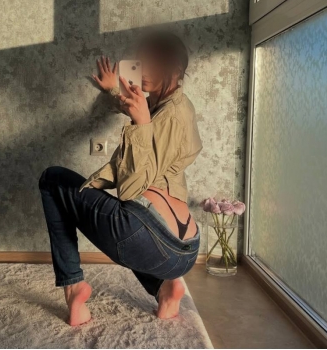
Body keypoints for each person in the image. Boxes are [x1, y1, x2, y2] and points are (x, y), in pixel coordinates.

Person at [38, 30, 203, 326]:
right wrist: (113, 90)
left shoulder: (168, 118)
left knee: (52, 179)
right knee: (136, 230)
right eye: (141, 62)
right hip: (185, 249)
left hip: (151, 240)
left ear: (175, 70)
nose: (144, 71)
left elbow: (130, 190)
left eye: (153, 65)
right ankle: (165, 288)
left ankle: (73, 287)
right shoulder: (170, 104)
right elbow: (135, 109)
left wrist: (141, 123)